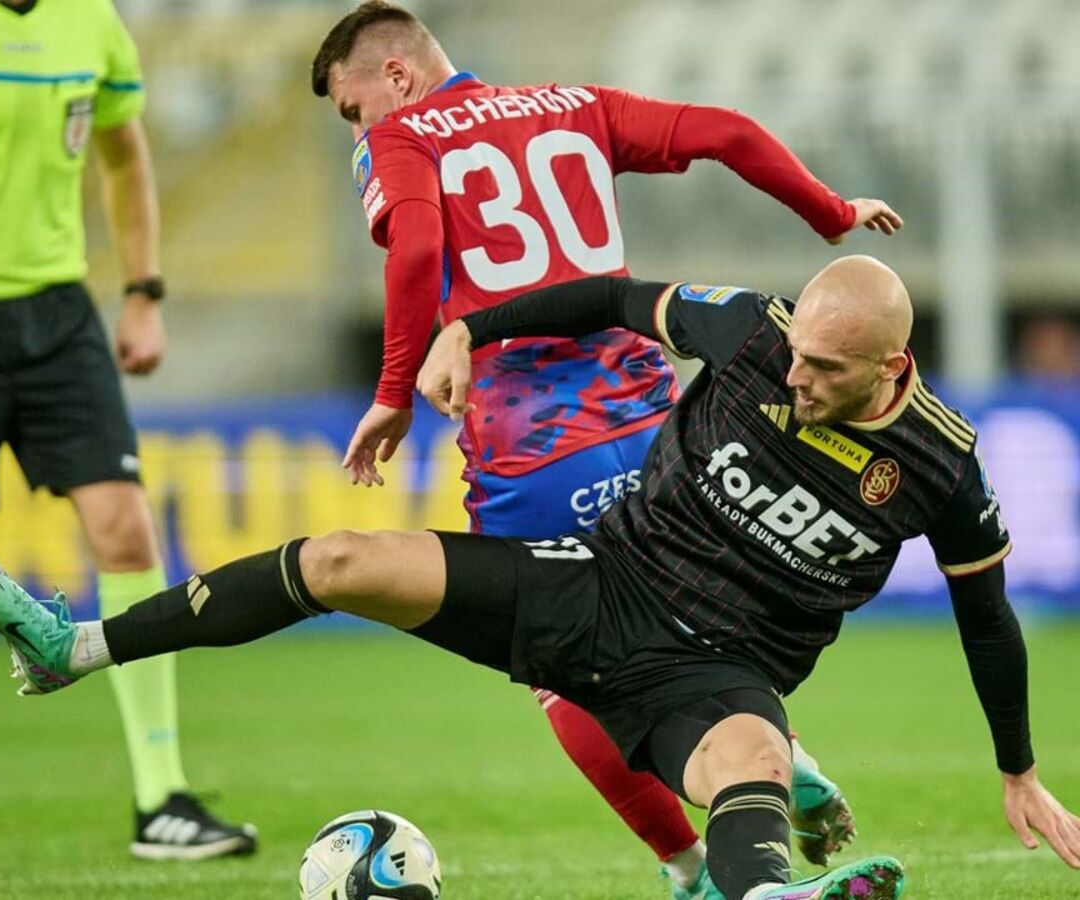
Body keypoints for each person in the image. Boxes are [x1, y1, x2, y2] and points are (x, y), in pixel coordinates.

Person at [0, 255, 1080, 899]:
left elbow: (987, 620)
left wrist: (1020, 770)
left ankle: (765, 888)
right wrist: (466, 327)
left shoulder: (943, 467)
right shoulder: (751, 331)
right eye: (795, 355)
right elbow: (603, 296)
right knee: (338, 559)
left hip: (724, 672)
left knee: (749, 758)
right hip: (595, 586)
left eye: (825, 371)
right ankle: (76, 651)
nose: (795, 377)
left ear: (894, 366)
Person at [310, 4, 902, 895]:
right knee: (681, 624)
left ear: (393, 78)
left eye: (353, 110)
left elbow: (421, 241)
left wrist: (393, 395)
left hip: (533, 444)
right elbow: (728, 131)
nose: (361, 130)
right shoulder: (570, 103)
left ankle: (695, 870)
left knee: (566, 669)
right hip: (655, 424)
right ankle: (779, 765)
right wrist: (827, 212)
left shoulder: (405, 137)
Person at [0, 0, 255, 862]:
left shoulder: (91, 21)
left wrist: (143, 290)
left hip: (57, 313)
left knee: (124, 524)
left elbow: (126, 154)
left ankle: (162, 797)